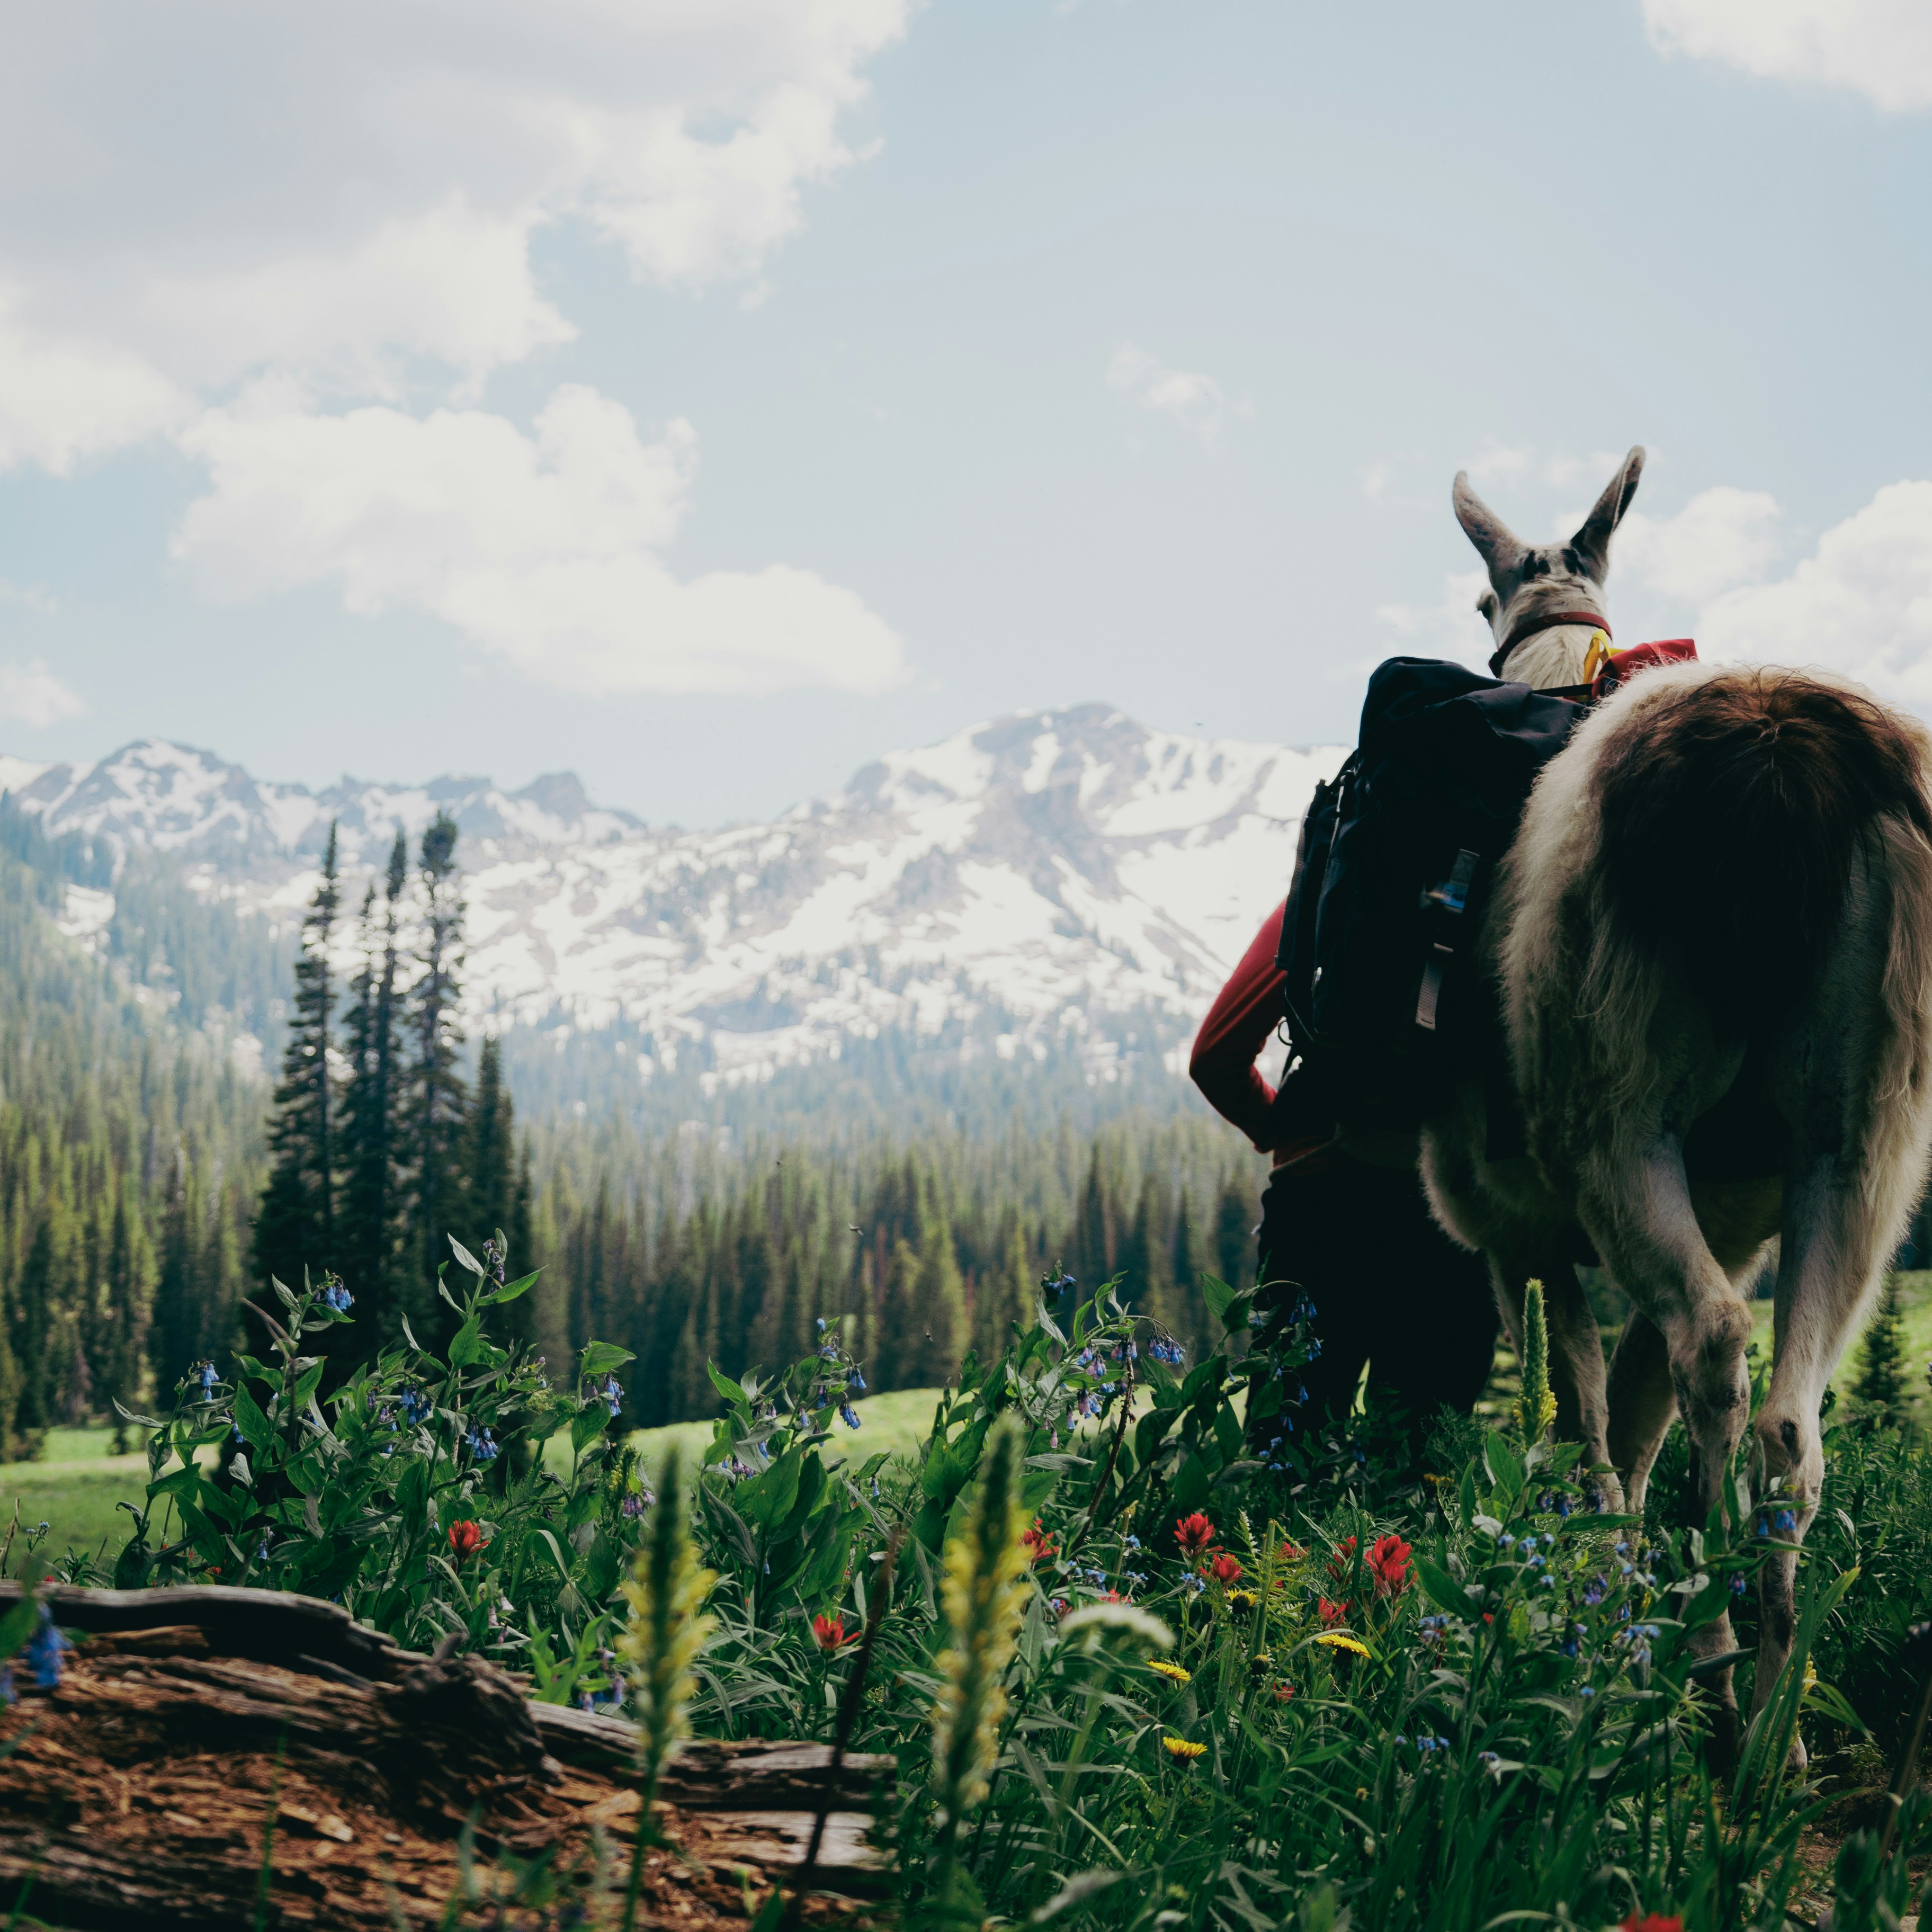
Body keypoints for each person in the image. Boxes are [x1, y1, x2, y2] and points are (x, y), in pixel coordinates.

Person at [1189, 900, 1498, 1457]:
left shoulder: (1333, 889)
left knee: (1285, 1456)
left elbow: (1215, 1057)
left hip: (1321, 1200)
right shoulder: (1507, 896)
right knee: (1420, 1466)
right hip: (1458, 1212)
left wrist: (1288, 1133)